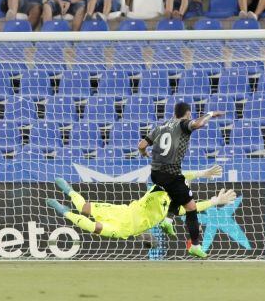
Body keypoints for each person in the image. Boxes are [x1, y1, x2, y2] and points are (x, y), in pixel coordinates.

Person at [46, 169, 235, 246]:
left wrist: (215, 201)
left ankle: (63, 210)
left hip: (124, 229)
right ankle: (69, 191)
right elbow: (183, 175)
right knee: (85, 208)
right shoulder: (157, 189)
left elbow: (195, 208)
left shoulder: (172, 209)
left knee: (92, 227)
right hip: (121, 211)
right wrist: (202, 173)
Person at [137, 101, 225, 259]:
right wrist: (211, 114)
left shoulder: (161, 126)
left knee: (180, 187)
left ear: (173, 113)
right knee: (191, 208)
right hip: (171, 174)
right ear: (188, 113)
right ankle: (195, 246)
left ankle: (168, 221)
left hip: (156, 173)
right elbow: (198, 124)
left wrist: (144, 153)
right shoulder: (183, 124)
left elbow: (141, 144)